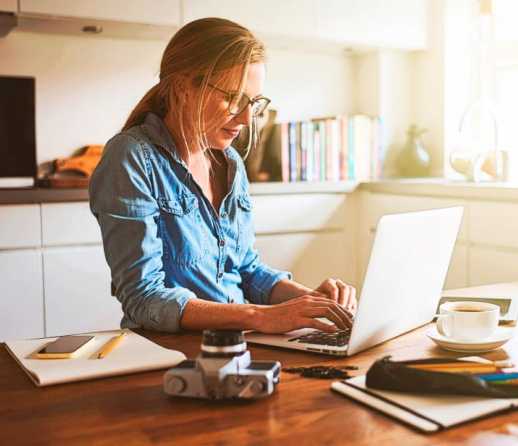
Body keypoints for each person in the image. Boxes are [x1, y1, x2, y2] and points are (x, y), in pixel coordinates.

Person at [89, 17, 357, 334]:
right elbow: (143, 297)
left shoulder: (229, 163)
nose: (246, 118)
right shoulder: (132, 157)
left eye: (254, 103)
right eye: (233, 98)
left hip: (239, 343)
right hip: (169, 351)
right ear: (183, 87)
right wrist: (259, 316)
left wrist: (313, 302)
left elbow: (246, 269)